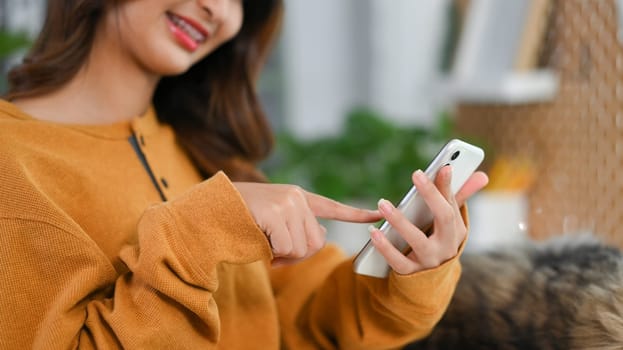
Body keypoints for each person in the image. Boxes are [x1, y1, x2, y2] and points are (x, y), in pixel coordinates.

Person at [0, 0, 488, 348]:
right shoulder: (13, 162)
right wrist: (197, 234)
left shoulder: (201, 152)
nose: (219, 8)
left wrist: (412, 262)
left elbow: (314, 321)